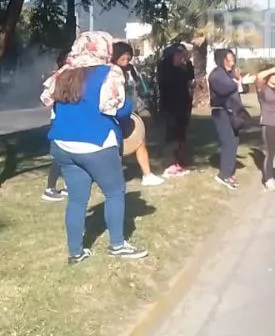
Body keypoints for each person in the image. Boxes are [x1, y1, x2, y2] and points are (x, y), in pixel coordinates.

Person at [41, 31, 147, 264]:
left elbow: (51, 103)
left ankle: (75, 252)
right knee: (114, 191)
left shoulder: (64, 73)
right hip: (96, 144)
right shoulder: (109, 73)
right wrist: (128, 103)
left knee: (77, 199)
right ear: (104, 49)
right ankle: (117, 245)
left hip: (62, 145)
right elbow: (117, 109)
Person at [111, 41, 164, 186]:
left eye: (128, 58)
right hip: (115, 112)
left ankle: (147, 174)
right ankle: (115, 174)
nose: (126, 61)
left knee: (140, 141)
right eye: (123, 58)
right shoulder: (110, 71)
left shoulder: (131, 70)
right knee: (115, 146)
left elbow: (138, 87)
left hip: (132, 112)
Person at [208, 49, 245, 190]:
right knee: (228, 142)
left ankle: (230, 172)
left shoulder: (228, 74)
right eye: (229, 59)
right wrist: (237, 80)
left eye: (233, 59)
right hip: (221, 112)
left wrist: (239, 80)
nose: (232, 62)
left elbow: (241, 89)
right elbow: (226, 88)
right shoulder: (216, 75)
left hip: (232, 112)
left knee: (234, 141)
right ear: (222, 60)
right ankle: (223, 175)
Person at [157, 45, 194, 177]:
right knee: (171, 136)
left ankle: (178, 162)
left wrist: (188, 61)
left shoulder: (181, 69)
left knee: (180, 136)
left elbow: (190, 76)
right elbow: (166, 86)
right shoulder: (165, 69)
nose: (181, 58)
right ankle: (169, 164)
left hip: (182, 107)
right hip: (170, 108)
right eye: (178, 55)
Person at [42, 47, 71, 202]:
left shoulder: (73, 75)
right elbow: (47, 99)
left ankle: (67, 185)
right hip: (59, 119)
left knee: (69, 152)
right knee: (59, 154)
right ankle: (50, 188)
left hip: (69, 119)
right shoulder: (59, 77)